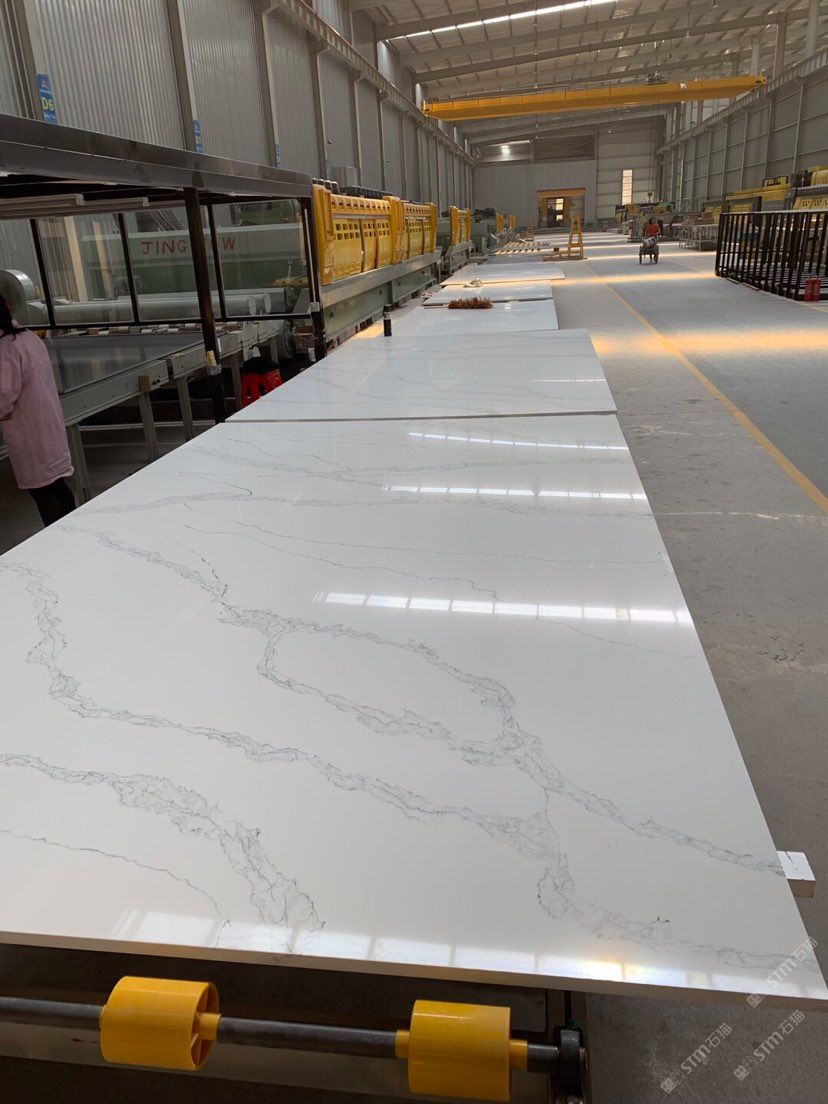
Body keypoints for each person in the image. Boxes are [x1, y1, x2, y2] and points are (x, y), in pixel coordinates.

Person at [0, 295, 76, 527]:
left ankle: (58, 538)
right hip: (47, 423)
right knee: (57, 485)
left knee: (42, 490)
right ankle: (74, 530)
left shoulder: (7, 348)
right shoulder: (30, 338)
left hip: (29, 431)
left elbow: (4, 396)